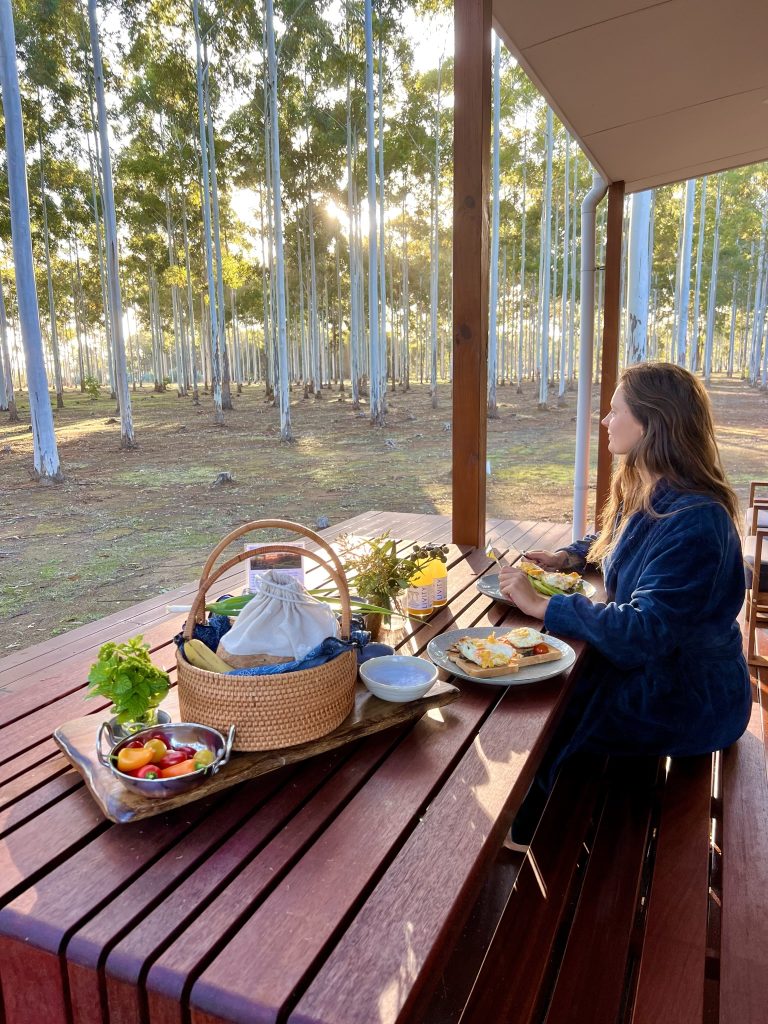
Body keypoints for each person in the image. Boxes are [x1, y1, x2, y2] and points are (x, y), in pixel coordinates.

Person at [499, 362, 751, 841]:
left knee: (553, 713)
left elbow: (645, 633)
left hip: (690, 696)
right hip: (660, 671)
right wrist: (568, 556)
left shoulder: (698, 521)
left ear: (651, 423)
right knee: (554, 694)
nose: (605, 421)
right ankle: (535, 817)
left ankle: (550, 842)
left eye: (615, 411)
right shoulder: (653, 486)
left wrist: (543, 606)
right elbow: (614, 535)